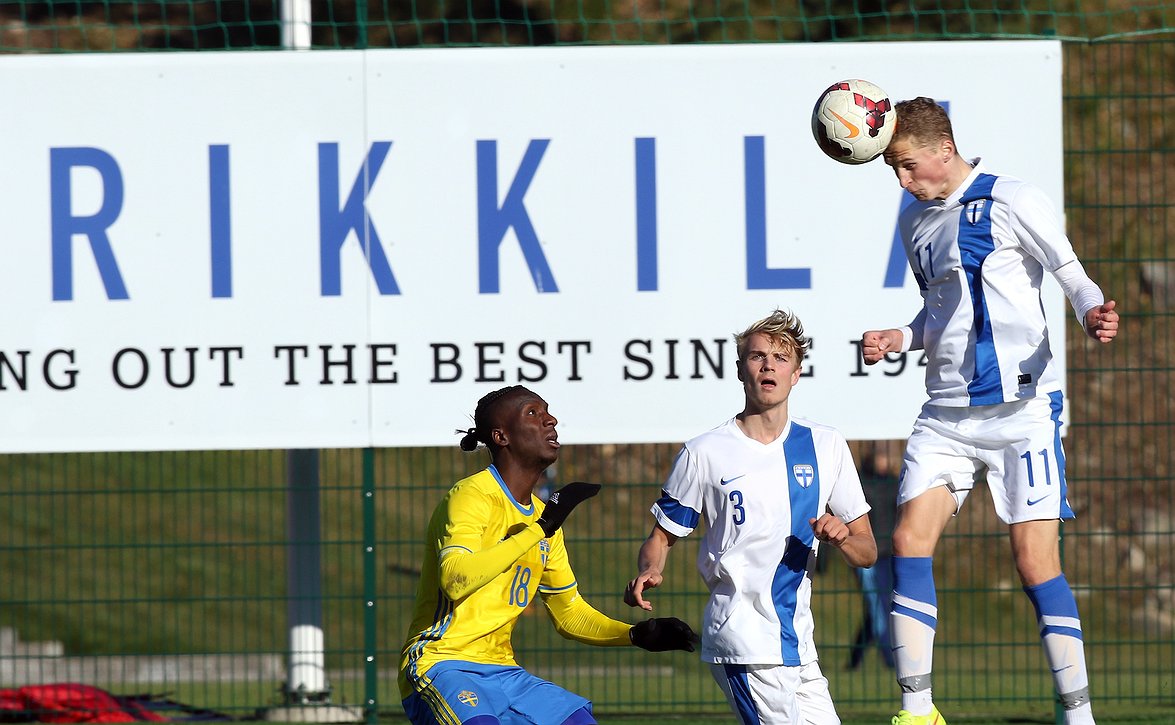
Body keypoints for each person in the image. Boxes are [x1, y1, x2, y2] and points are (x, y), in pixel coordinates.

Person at [861, 97, 1119, 725]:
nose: (901, 179)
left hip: (1023, 411)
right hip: (946, 414)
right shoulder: (915, 224)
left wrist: (1091, 309)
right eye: (893, 168)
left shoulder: (1011, 199)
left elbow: (1067, 269)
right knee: (907, 543)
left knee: (1035, 562)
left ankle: (1077, 714)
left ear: (943, 149)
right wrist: (902, 336)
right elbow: (941, 311)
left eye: (906, 164)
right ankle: (917, 714)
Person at [624, 309, 878, 725]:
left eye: (780, 358)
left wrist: (843, 537)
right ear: (741, 369)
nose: (768, 366)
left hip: (797, 644)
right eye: (757, 356)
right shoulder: (705, 452)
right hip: (743, 638)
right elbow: (661, 536)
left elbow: (867, 551)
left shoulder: (826, 445)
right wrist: (649, 570)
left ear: (796, 374)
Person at [398, 385, 699, 725]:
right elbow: (455, 579)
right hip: (442, 663)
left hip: (503, 671)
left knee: (580, 722)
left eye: (547, 412)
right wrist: (538, 529)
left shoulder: (544, 518)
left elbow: (569, 613)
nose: (550, 420)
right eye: (533, 414)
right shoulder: (472, 496)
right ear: (501, 436)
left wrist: (633, 634)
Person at [847, 443, 900, 671]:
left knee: (882, 608)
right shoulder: (860, 483)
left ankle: (855, 659)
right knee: (877, 607)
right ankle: (892, 660)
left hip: (890, 554)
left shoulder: (895, 483)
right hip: (867, 557)